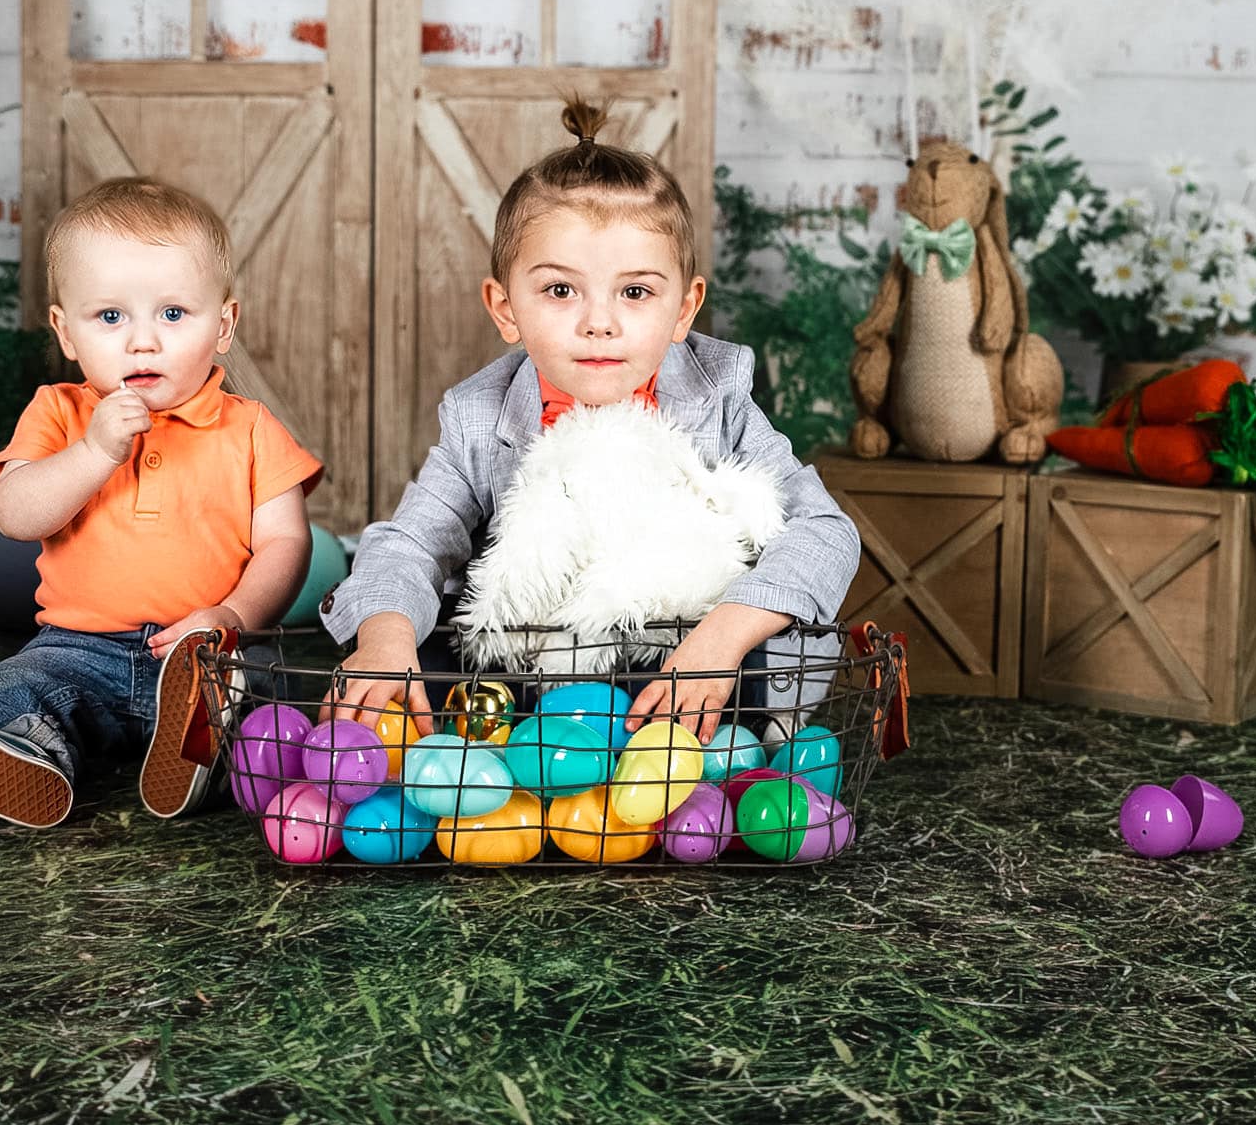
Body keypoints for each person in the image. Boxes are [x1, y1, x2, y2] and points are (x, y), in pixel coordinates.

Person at [323, 97, 858, 742]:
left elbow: (824, 530)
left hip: (684, 653)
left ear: (684, 310)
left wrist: (721, 638)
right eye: (559, 290)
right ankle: (265, 693)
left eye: (635, 292)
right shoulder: (480, 415)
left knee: (785, 651)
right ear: (505, 307)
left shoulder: (718, 400)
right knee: (408, 655)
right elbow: (411, 540)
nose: (598, 322)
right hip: (531, 667)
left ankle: (705, 735)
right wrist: (385, 640)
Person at [0, 177, 323, 828]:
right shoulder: (59, 412)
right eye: (110, 317)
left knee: (270, 700)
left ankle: (204, 760)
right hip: (78, 650)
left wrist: (230, 614)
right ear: (66, 331)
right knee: (15, 683)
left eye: (173, 314)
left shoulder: (251, 426)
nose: (142, 341)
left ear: (224, 324)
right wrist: (93, 452)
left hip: (207, 651)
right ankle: (27, 758)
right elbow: (16, 512)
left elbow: (287, 542)